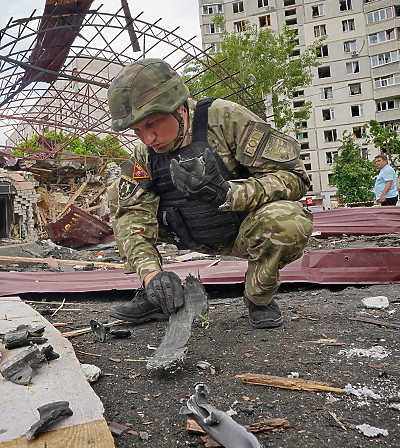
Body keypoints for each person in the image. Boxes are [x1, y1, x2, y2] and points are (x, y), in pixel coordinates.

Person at [106, 58, 314, 329]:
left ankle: (258, 297)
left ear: (179, 108)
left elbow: (295, 178)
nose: (147, 139)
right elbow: (130, 216)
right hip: (184, 230)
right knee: (120, 199)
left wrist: (230, 194)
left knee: (289, 221)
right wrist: (151, 274)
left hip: (242, 229)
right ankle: (155, 295)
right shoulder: (143, 155)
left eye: (153, 124)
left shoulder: (226, 119)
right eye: (137, 130)